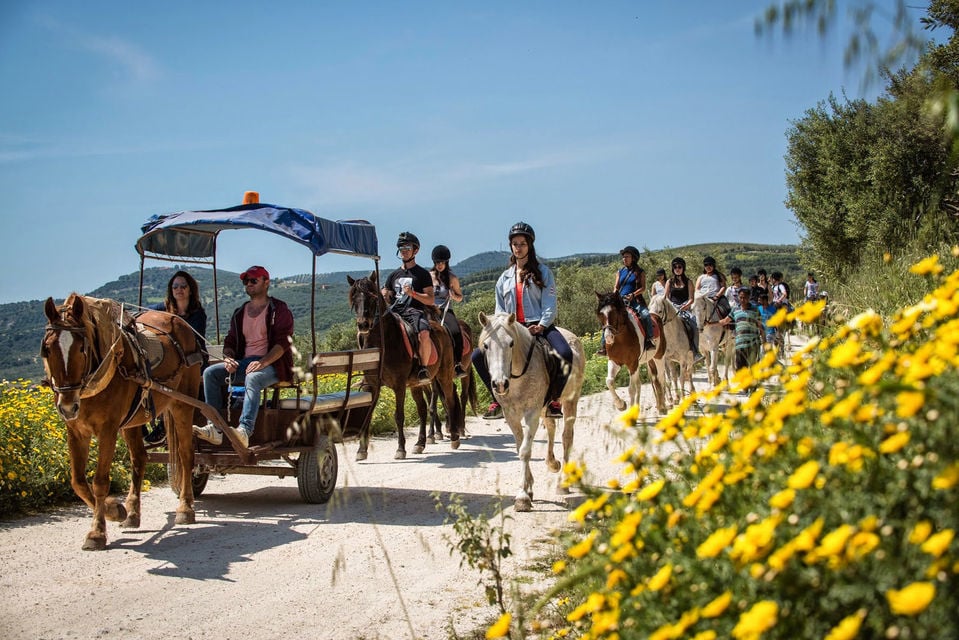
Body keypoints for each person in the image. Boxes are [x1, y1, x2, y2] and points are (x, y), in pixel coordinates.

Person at [473, 222, 572, 420]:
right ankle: (497, 399)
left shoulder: (543, 273)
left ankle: (554, 400)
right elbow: (499, 311)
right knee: (477, 356)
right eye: (515, 244)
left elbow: (550, 304)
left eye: (522, 244)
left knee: (565, 353)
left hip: (539, 326)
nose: (518, 247)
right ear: (511, 246)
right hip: (512, 329)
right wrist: (501, 329)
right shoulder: (504, 278)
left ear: (530, 246)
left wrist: (542, 325)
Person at [193, 265, 295, 449]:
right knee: (210, 374)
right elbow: (230, 342)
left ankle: (245, 430)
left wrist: (262, 362)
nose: (248, 284)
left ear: (266, 282)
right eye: (246, 281)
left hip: (274, 365)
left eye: (253, 280)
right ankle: (215, 428)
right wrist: (229, 358)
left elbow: (283, 344)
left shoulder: (279, 309)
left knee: (253, 378)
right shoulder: (240, 312)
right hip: (245, 363)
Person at [144, 270, 208, 445]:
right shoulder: (160, 309)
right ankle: (140, 419)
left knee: (175, 378)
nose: (179, 289)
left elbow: (193, 341)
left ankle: (164, 424)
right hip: (170, 360)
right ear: (171, 290)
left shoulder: (197, 313)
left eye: (183, 286)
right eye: (175, 286)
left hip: (192, 359)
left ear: (190, 289)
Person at [382, 232, 436, 381]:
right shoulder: (393, 275)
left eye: (407, 247)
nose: (404, 250)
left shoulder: (423, 274)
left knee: (424, 334)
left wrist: (413, 294)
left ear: (415, 250)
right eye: (401, 248)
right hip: (395, 311)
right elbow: (389, 295)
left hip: (415, 311)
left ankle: (423, 368)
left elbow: (430, 299)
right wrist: (385, 295)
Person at [430, 244, 465, 376]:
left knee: (456, 331)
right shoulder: (428, 276)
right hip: (431, 310)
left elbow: (460, 297)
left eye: (442, 262)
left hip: (446, 310)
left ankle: (457, 363)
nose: (439, 265)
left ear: (446, 262)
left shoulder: (452, 278)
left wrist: (454, 296)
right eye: (437, 262)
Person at [612, 245, 655, 351]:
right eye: (623, 257)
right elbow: (616, 287)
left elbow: (643, 288)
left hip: (635, 300)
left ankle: (649, 340)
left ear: (633, 258)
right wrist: (613, 297)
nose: (624, 259)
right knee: (608, 316)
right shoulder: (620, 272)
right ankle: (604, 344)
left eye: (627, 256)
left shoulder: (640, 272)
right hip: (621, 300)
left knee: (645, 315)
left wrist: (633, 295)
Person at [663, 257, 703, 361]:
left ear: (683, 268)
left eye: (679, 267)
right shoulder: (669, 282)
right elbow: (666, 297)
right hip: (672, 308)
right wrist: (672, 305)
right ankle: (659, 349)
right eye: (675, 267)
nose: (677, 269)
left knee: (694, 325)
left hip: (685, 308)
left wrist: (685, 306)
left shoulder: (689, 282)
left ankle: (695, 350)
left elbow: (691, 298)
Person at [721, 288, 763, 371]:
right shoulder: (735, 309)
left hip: (753, 344)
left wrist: (764, 341)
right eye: (741, 297)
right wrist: (710, 323)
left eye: (745, 298)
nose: (743, 300)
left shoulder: (755, 309)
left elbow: (760, 325)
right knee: (740, 370)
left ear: (749, 297)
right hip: (740, 345)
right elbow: (725, 321)